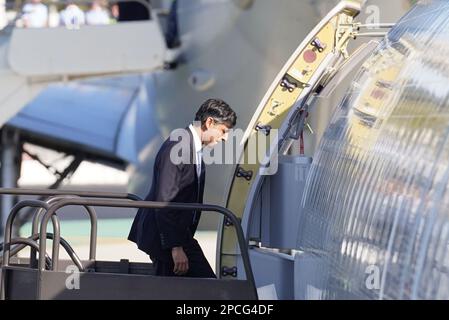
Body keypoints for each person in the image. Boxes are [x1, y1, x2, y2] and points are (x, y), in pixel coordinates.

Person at [128, 99, 237, 277]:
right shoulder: (178, 147)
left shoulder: (192, 147)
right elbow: (165, 201)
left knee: (192, 287)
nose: (225, 138)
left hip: (179, 236)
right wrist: (175, 248)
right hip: (164, 237)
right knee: (205, 287)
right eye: (223, 131)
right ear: (209, 122)